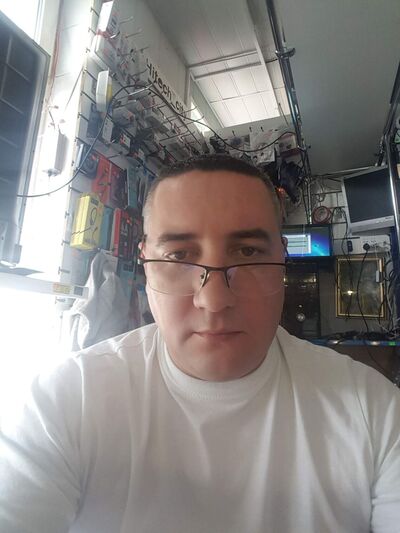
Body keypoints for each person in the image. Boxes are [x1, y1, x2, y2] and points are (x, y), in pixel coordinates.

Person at [0, 154, 399, 533]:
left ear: (282, 258)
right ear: (146, 264)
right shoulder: (65, 402)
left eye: (248, 252)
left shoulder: (375, 413)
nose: (214, 300)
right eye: (178, 255)